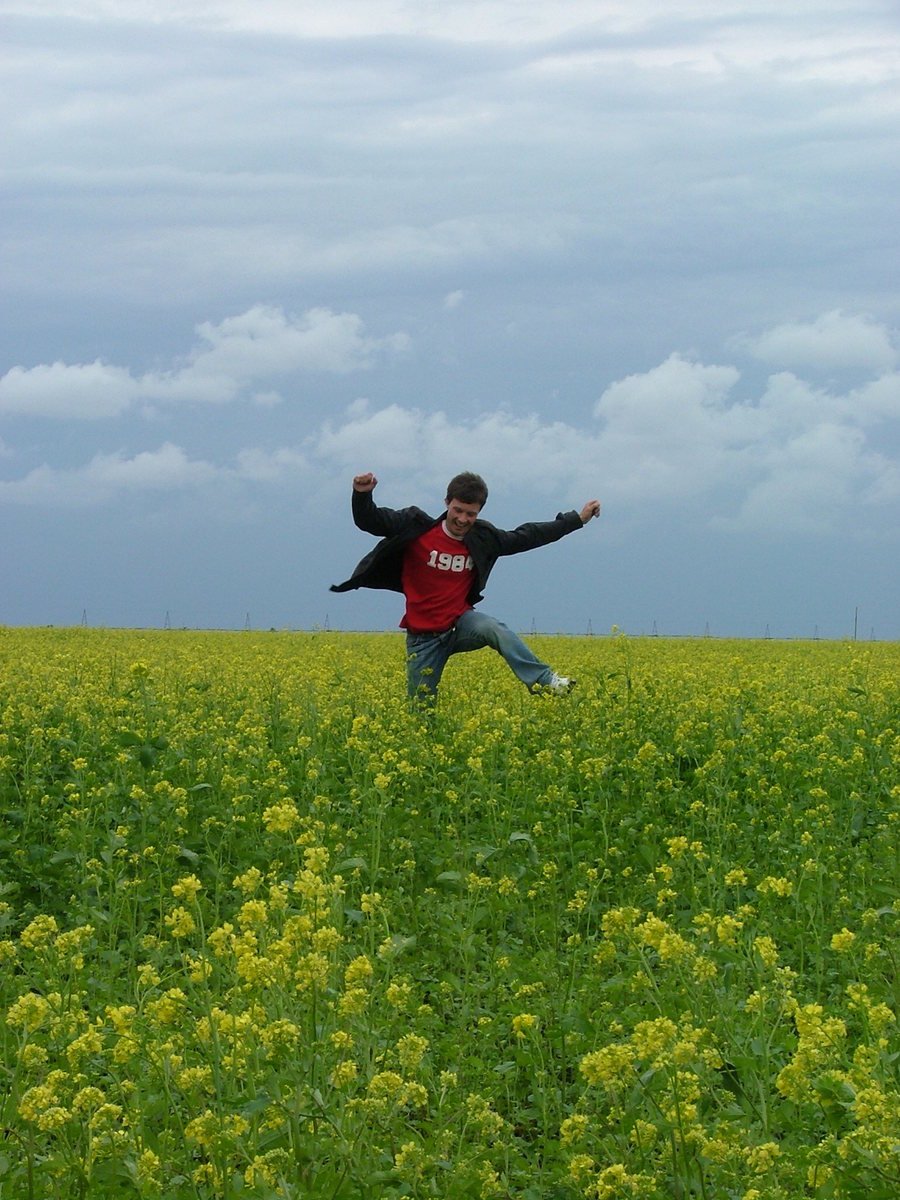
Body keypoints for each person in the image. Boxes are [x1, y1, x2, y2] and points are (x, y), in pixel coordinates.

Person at [330, 471, 601, 703]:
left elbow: (528, 535)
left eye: (470, 514)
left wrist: (577, 519)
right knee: (419, 710)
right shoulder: (416, 527)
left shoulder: (483, 539)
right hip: (423, 639)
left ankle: (544, 682)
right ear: (447, 503)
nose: (462, 519)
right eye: (457, 510)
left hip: (460, 626)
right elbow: (372, 521)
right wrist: (361, 494)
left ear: (479, 512)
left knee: (493, 628)